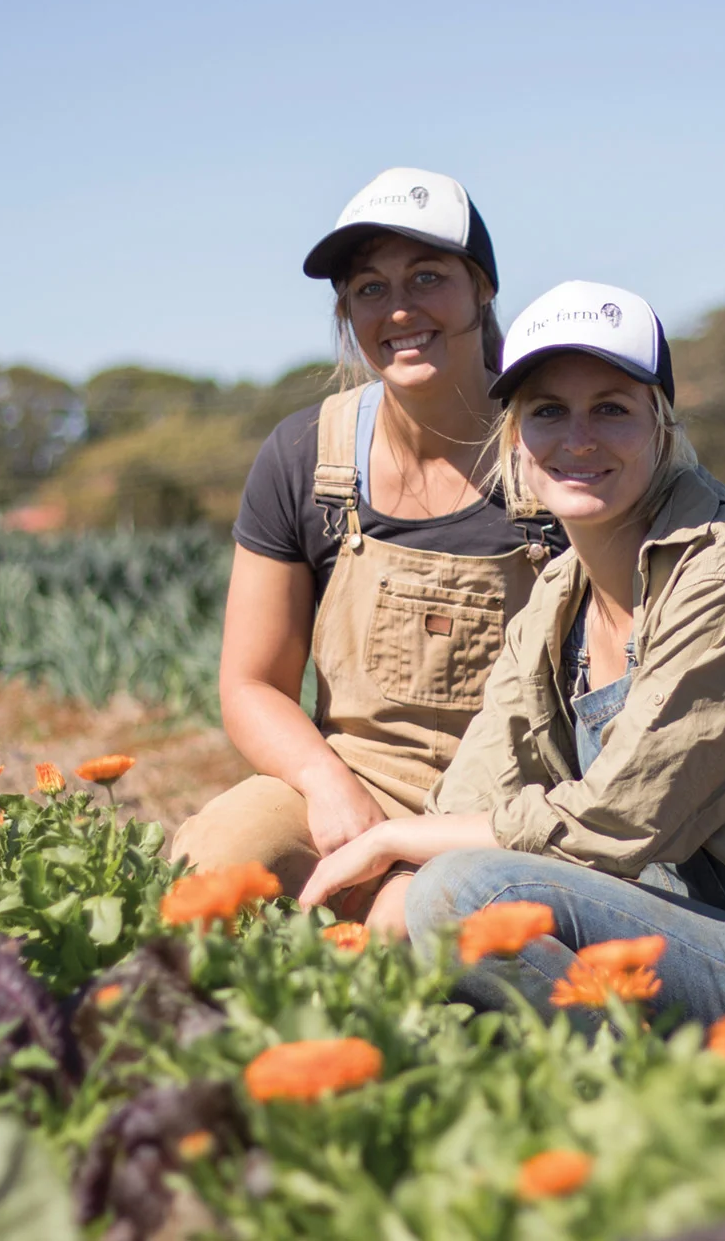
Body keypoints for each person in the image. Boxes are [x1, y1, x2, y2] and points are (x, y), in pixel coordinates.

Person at [297, 280, 725, 1059]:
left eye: (611, 407)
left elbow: (623, 819)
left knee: (469, 896)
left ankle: (652, 1123)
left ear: (661, 429)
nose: (579, 438)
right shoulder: (557, 600)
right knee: (432, 908)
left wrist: (397, 843)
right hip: (684, 952)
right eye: (547, 411)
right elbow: (478, 784)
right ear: (514, 442)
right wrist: (401, 874)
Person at [171, 169, 563, 930]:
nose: (400, 309)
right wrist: (323, 781)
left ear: (481, 288)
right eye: (370, 289)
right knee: (211, 866)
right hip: (356, 781)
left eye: (428, 277)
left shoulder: (555, 452)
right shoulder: (307, 458)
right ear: (347, 311)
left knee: (412, 929)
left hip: (516, 806)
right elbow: (251, 683)